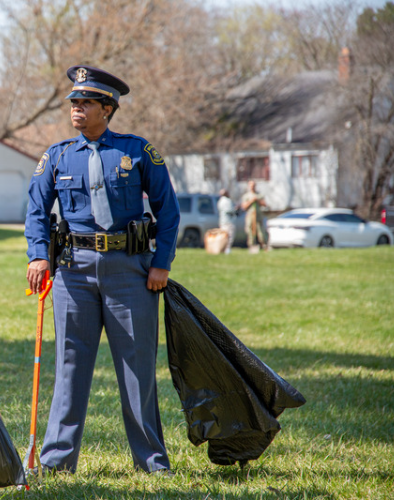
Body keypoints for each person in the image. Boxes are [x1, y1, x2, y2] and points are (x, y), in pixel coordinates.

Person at [25, 66, 180, 476]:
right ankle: (57, 463)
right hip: (73, 273)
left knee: (137, 369)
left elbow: (168, 209)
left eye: (86, 103)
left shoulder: (137, 151)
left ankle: (151, 463)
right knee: (70, 367)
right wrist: (38, 256)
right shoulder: (57, 156)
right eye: (74, 103)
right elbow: (36, 211)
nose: (76, 109)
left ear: (107, 109)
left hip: (131, 272)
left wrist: (161, 263)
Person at [240, 180, 267, 252]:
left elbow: (264, 204)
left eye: (253, 186)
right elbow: (244, 207)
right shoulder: (246, 196)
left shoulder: (259, 195)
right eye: (251, 186)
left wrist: (257, 200)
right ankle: (251, 245)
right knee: (250, 231)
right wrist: (251, 201)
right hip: (250, 215)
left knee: (260, 231)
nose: (252, 187)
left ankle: (263, 245)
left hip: (258, 215)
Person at [217, 188, 236, 254]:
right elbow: (230, 211)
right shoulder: (228, 201)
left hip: (222, 222)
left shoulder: (220, 201)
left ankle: (222, 248)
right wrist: (236, 209)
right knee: (229, 237)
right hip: (229, 222)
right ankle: (227, 250)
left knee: (223, 237)